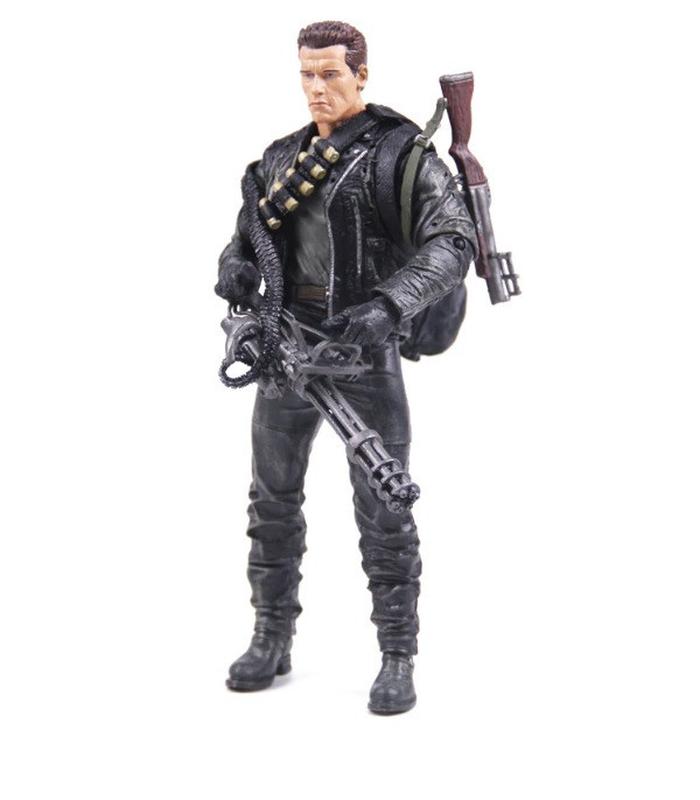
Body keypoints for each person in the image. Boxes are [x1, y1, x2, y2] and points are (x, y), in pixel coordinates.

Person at [215, 20, 477, 714]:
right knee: (272, 499)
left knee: (385, 505)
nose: (317, 88)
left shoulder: (400, 155)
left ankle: (397, 654)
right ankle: (271, 635)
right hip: (283, 344)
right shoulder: (281, 158)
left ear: (361, 75)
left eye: (330, 74)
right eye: (307, 74)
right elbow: (247, 233)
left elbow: (453, 241)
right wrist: (236, 266)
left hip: (362, 348)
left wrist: (389, 305)